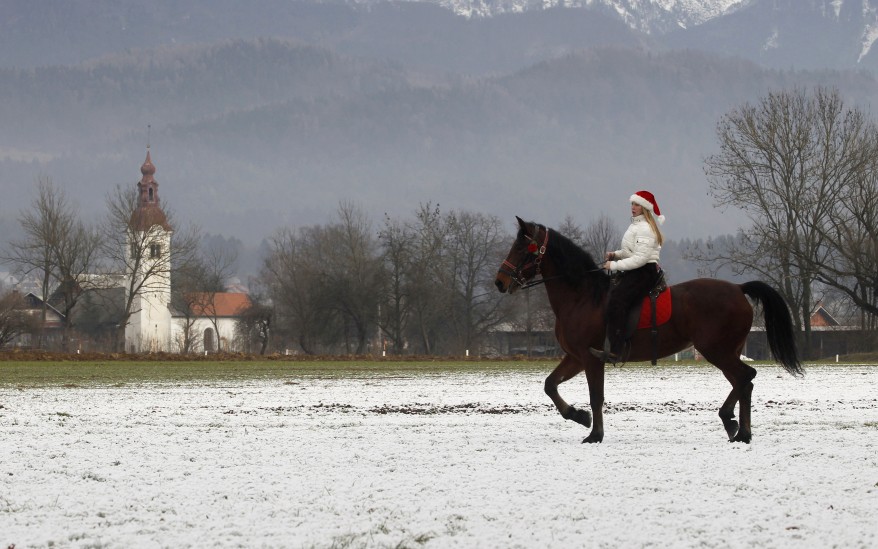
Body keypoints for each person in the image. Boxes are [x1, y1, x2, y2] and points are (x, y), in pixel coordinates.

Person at [589, 190, 665, 363]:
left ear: (644, 208)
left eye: (636, 204)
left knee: (617, 300)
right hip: (636, 270)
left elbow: (640, 259)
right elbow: (630, 252)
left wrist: (614, 265)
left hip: (644, 272)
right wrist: (615, 255)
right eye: (632, 204)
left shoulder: (645, 228)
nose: (633, 207)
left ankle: (617, 350)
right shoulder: (635, 225)